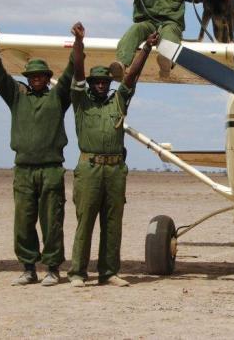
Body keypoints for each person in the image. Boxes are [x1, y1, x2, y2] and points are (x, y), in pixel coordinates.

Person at [67, 22, 158, 287]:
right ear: (90, 84)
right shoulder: (81, 104)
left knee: (112, 222)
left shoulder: (117, 101)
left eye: (105, 82)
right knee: (85, 223)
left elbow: (130, 78)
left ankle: (109, 272)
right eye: (96, 82)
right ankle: (78, 273)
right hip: (89, 170)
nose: (100, 86)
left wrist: (146, 49)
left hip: (115, 170)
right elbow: (77, 71)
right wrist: (79, 43)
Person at [0, 24, 73, 286]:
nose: (36, 79)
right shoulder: (16, 97)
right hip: (23, 170)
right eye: (32, 76)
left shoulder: (58, 97)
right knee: (23, 221)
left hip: (51, 170)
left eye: (41, 76)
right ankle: (28, 268)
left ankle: (53, 269)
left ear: (47, 78)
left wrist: (78, 43)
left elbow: (70, 74)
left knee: (52, 221)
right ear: (27, 78)